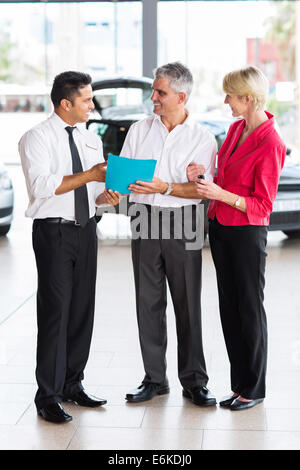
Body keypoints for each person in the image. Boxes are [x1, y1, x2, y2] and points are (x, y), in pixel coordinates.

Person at [19, 71, 120, 423]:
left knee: (81, 311)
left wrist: (104, 196)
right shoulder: (36, 138)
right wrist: (91, 176)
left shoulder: (91, 139)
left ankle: (73, 384)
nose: (93, 105)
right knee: (55, 315)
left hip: (86, 230)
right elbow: (43, 185)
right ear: (66, 103)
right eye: (87, 100)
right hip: (54, 234)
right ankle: (47, 395)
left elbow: (92, 191)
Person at [120, 62, 217, 406]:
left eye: (160, 92)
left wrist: (168, 186)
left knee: (188, 302)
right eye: (154, 91)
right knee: (148, 301)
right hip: (144, 216)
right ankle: (155, 379)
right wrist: (119, 187)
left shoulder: (202, 137)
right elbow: (123, 177)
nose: (153, 98)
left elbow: (202, 190)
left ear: (181, 95)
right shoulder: (139, 130)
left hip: (185, 220)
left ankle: (194, 381)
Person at [193, 65, 286, 410]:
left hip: (247, 233)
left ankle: (255, 387)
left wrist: (219, 193)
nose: (226, 101)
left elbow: (262, 205)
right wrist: (203, 177)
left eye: (230, 95)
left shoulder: (271, 142)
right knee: (229, 308)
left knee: (248, 309)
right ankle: (239, 385)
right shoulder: (235, 129)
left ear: (248, 98)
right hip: (221, 227)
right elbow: (225, 175)